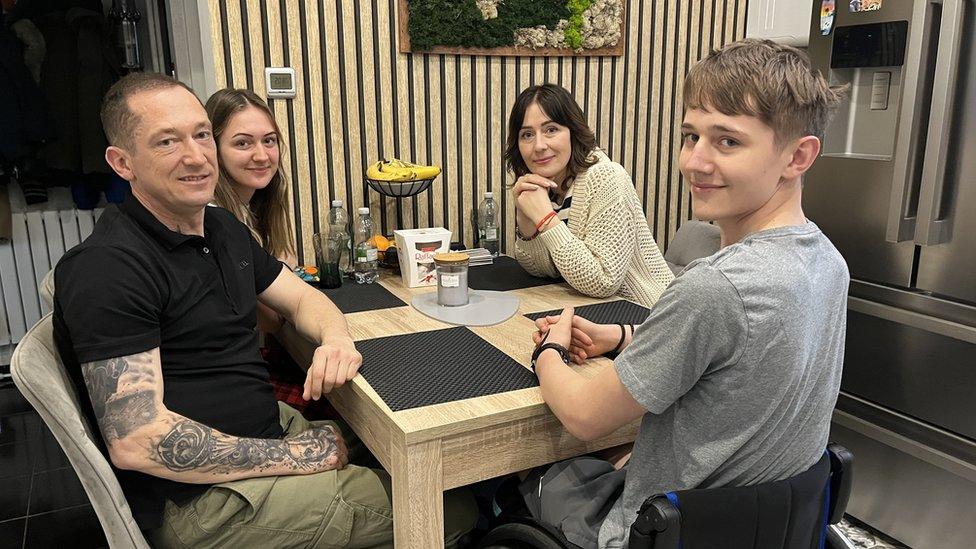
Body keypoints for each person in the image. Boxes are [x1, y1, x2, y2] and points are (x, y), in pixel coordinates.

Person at [52, 73, 475, 548]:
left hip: (263, 432)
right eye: (167, 142)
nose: (196, 156)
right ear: (122, 162)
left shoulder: (219, 228)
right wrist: (299, 456)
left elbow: (303, 298)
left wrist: (336, 340)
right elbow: (138, 441)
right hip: (204, 505)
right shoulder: (108, 267)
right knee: (455, 503)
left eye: (201, 134)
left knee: (436, 452)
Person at [526, 39, 849, 548]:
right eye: (690, 136)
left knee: (514, 485)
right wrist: (624, 336)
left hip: (660, 534)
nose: (693, 162)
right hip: (765, 530)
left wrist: (548, 350)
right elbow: (740, 363)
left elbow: (583, 415)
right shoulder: (828, 262)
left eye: (727, 142)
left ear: (798, 155)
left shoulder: (714, 287)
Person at [205, 88, 327, 417]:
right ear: (213, 150)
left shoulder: (249, 210)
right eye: (243, 143)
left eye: (269, 141)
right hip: (228, 386)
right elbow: (271, 321)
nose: (261, 155)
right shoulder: (220, 221)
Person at [508, 83, 674, 308]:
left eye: (551, 130)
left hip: (646, 314)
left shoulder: (607, 177)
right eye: (527, 134)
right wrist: (527, 222)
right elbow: (543, 270)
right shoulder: (548, 185)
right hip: (595, 313)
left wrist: (546, 220)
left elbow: (603, 282)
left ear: (573, 132)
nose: (539, 145)